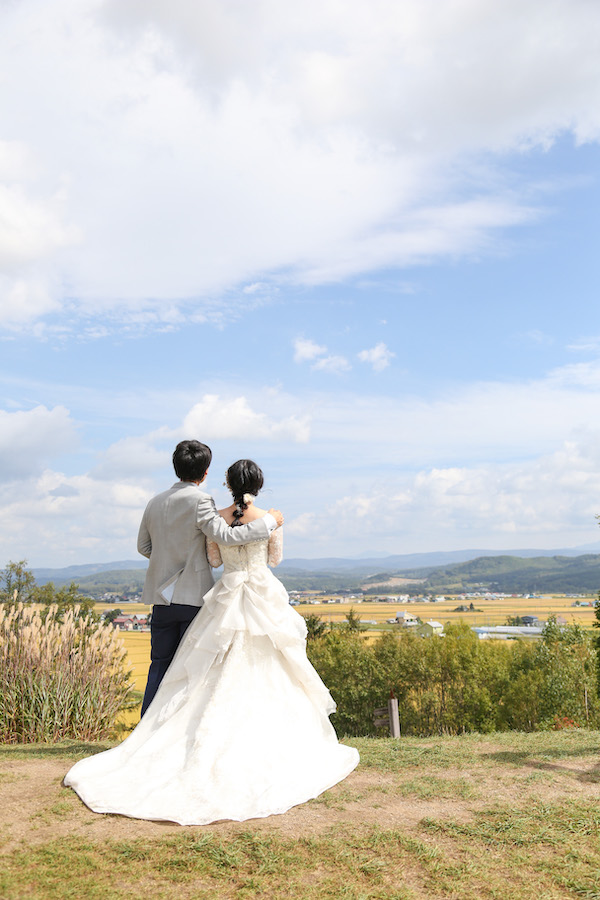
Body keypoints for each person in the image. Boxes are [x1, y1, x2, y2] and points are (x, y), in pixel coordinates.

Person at [64, 459, 359, 825]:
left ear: (225, 481)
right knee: (272, 662)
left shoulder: (215, 516)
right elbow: (275, 559)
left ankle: (154, 729)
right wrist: (269, 525)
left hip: (224, 593)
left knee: (193, 667)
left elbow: (214, 558)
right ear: (259, 484)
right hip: (260, 593)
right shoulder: (270, 517)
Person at [137, 440, 283, 715]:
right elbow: (226, 536)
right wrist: (269, 523)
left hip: (160, 598)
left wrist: (166, 563)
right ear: (205, 473)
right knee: (190, 669)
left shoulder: (154, 502)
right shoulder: (201, 501)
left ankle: (146, 727)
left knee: (159, 664)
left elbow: (144, 547)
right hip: (192, 597)